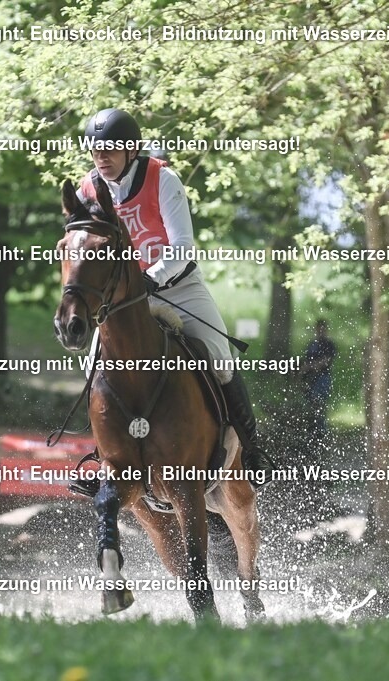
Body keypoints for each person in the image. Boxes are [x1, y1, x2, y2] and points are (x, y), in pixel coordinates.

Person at [77, 108, 275, 486]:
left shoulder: (162, 179)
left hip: (179, 287)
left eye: (110, 150)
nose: (101, 157)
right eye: (95, 150)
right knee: (93, 368)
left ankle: (251, 450)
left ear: (132, 150)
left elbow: (182, 245)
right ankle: (102, 456)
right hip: (123, 301)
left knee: (220, 355)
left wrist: (152, 278)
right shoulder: (89, 190)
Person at [299, 319, 337, 440]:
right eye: (318, 329)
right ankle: (313, 430)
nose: (320, 331)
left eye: (322, 329)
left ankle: (321, 431)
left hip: (323, 378)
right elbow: (306, 362)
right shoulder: (312, 345)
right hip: (311, 378)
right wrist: (301, 374)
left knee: (319, 403)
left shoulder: (329, 344)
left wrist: (312, 366)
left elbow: (327, 361)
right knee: (311, 404)